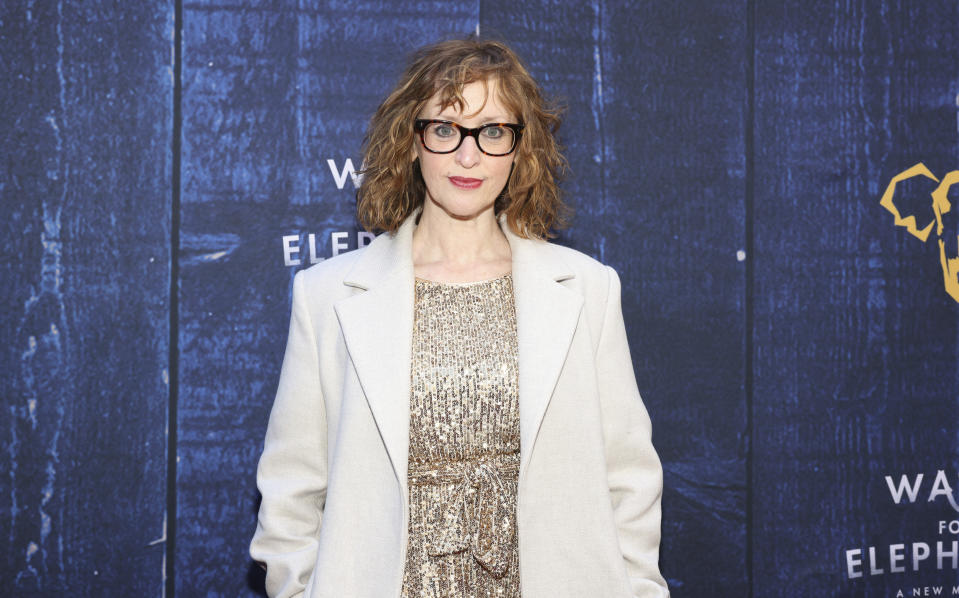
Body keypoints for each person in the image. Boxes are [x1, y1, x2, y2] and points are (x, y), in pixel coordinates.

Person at [250, 38, 669, 598]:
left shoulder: (587, 290)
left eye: (493, 131)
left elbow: (630, 478)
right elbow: (291, 492)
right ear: (411, 141)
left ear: (522, 147)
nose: (468, 157)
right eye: (446, 129)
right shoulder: (326, 296)